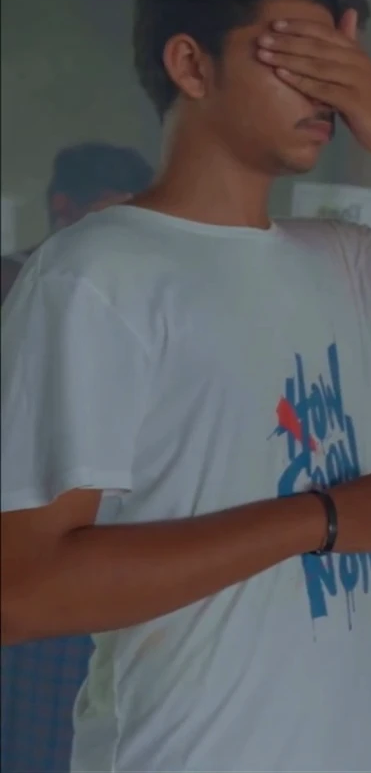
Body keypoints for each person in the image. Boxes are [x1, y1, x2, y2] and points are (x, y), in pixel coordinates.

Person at [0, 0, 371, 771]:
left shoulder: (340, 264)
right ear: (191, 65)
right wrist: (326, 519)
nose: (328, 91)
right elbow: (20, 590)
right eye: (298, 56)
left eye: (341, 65)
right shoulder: (96, 275)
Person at [0, 143, 155, 773]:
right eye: (111, 218)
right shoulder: (15, 283)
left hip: (82, 553)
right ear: (63, 209)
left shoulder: (132, 299)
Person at [0, 143, 155, 302]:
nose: (124, 233)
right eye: (110, 218)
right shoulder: (11, 280)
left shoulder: (135, 286)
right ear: (62, 204)